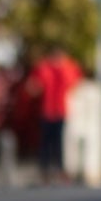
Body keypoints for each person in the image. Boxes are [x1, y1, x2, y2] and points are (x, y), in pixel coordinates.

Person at [29, 44, 82, 185]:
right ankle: (45, 170)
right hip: (47, 110)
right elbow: (35, 86)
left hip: (60, 110)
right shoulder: (44, 68)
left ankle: (58, 170)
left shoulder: (68, 68)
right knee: (46, 142)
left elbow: (75, 85)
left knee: (59, 143)